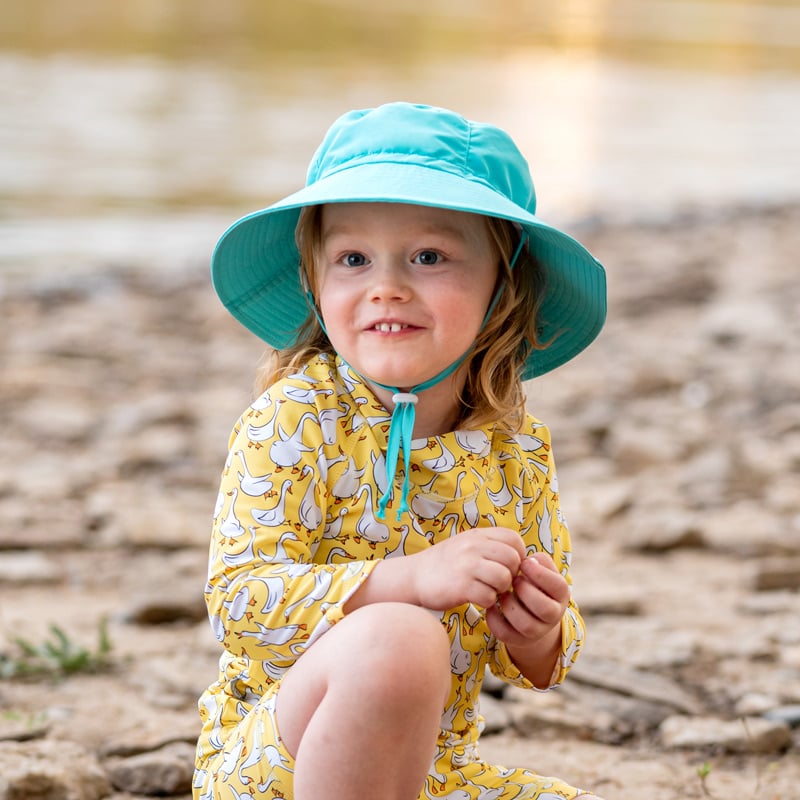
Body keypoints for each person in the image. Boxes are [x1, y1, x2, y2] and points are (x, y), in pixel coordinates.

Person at [193, 102, 607, 800]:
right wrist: (409, 580)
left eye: (429, 256)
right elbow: (239, 605)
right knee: (398, 642)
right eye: (353, 259)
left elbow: (540, 663)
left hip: (430, 777)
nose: (387, 284)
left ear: (503, 288)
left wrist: (536, 634)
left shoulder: (514, 448)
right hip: (277, 763)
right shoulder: (297, 420)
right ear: (315, 285)